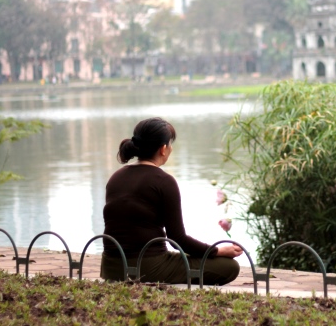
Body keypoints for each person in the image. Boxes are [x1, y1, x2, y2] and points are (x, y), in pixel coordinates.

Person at [100, 117, 242, 285]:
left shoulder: (116, 177)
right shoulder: (164, 181)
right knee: (229, 267)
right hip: (147, 268)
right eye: (170, 144)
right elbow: (177, 239)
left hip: (111, 267)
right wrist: (217, 251)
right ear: (163, 149)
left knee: (182, 259)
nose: (171, 149)